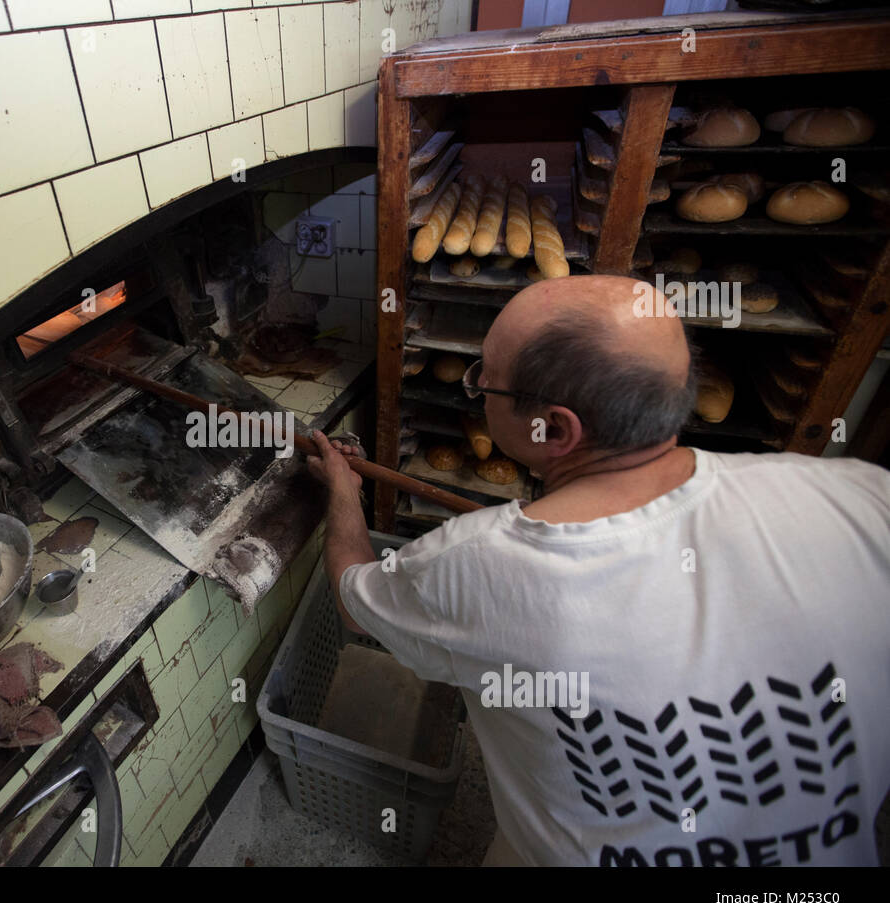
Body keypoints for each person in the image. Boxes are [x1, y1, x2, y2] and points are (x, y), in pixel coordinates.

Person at [306, 274, 890, 866]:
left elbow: (354, 599)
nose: (477, 390)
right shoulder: (862, 495)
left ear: (555, 429)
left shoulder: (471, 566)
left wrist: (341, 488)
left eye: (486, 382)